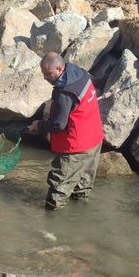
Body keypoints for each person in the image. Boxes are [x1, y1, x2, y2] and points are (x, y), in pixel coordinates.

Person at [28, 52, 104, 210]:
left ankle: (51, 224)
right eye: (43, 73)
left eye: (47, 74)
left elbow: (58, 124)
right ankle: (80, 216)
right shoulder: (80, 73)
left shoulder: (63, 92)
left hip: (77, 147)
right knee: (82, 186)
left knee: (59, 189)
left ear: (59, 68)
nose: (45, 78)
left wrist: (39, 125)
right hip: (94, 139)